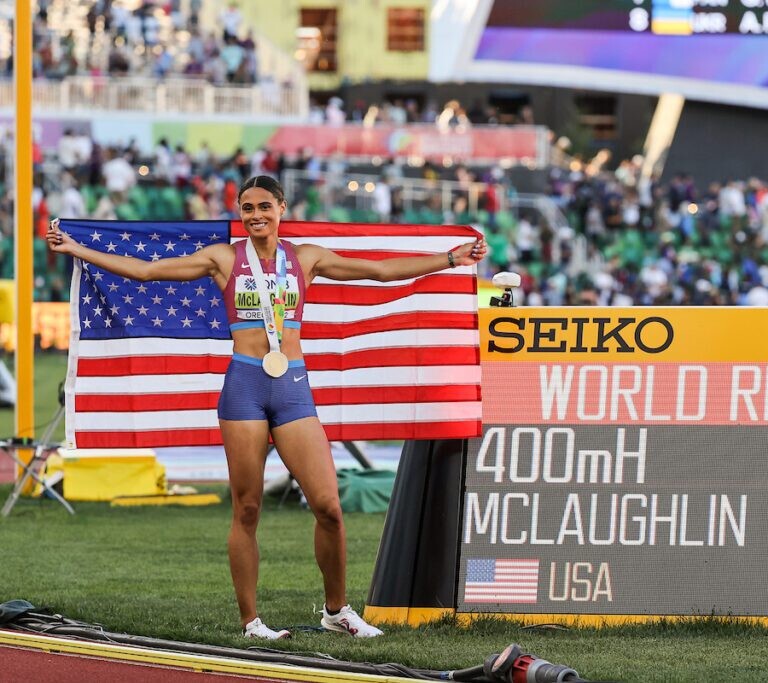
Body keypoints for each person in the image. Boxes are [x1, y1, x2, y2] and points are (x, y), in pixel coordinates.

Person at [47, 175, 488, 640]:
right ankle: (251, 622)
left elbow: (378, 271)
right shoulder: (224, 258)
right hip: (245, 386)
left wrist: (449, 259)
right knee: (248, 508)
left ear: (281, 208)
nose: (255, 215)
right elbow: (146, 272)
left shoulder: (305, 258)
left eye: (263, 206)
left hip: (292, 386)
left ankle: (337, 611)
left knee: (328, 507)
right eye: (247, 208)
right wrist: (77, 249)